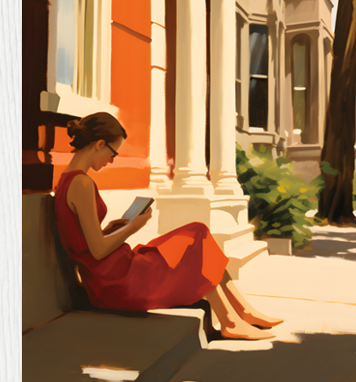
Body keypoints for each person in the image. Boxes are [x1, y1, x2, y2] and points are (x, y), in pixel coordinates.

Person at [54, 112, 283, 341]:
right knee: (196, 242)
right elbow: (98, 250)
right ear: (99, 144)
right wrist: (134, 227)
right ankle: (231, 321)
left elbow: (83, 243)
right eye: (113, 153)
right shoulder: (82, 183)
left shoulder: (67, 180)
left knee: (198, 232)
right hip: (114, 282)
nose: (112, 160)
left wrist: (109, 228)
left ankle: (241, 311)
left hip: (110, 274)